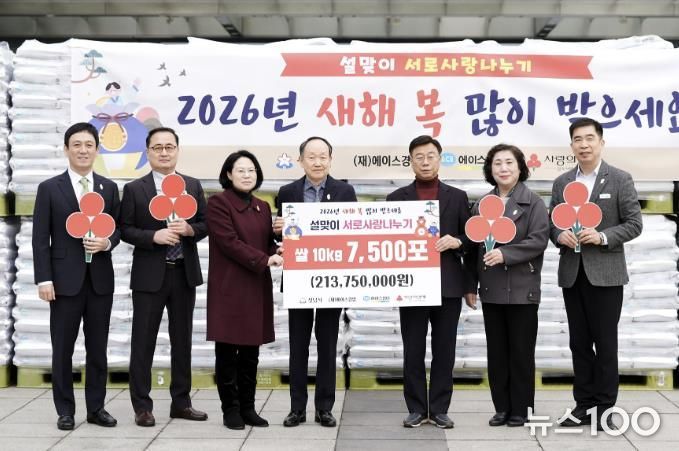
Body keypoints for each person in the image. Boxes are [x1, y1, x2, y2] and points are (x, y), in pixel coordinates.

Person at [550, 118, 642, 430]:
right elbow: (552, 224)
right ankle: (583, 406)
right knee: (578, 343)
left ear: (601, 142)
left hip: (606, 275)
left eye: (590, 138)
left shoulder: (619, 179)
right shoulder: (562, 182)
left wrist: (602, 236)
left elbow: (634, 223)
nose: (584, 145)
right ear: (571, 145)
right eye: (578, 139)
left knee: (605, 343)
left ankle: (604, 409)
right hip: (572, 274)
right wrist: (559, 235)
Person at [32, 122, 120, 430]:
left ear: (97, 149)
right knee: (63, 349)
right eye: (77, 145)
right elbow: (40, 238)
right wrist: (44, 279)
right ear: (67, 149)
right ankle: (65, 410)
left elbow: (118, 228)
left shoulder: (108, 188)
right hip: (63, 282)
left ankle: (96, 408)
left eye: (89, 145)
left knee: (97, 349)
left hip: (100, 282)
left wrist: (107, 243)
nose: (83, 150)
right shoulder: (49, 188)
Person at [120, 127, 208, 427]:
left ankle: (181, 403)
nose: (164, 152)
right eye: (158, 147)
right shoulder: (135, 189)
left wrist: (190, 230)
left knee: (182, 341)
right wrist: (153, 236)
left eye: (169, 147)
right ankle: (142, 407)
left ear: (177, 151)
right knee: (143, 341)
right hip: (149, 276)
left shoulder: (192, 185)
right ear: (148, 152)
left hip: (184, 273)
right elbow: (124, 229)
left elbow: (205, 223)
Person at [386, 135, 473, 429]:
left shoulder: (457, 197)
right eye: (419, 157)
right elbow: (386, 242)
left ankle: (439, 409)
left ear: (440, 158)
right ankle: (415, 408)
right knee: (412, 349)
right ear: (411, 161)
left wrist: (457, 241)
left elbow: (471, 239)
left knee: (444, 350)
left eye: (430, 156)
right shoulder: (396, 198)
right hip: (411, 285)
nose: (425, 162)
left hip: (448, 285)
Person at [273, 136, 357, 428]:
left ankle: (324, 408)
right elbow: (280, 237)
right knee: (298, 345)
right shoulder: (287, 192)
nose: (317, 162)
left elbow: (354, 231)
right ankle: (296, 408)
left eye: (323, 156)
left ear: (330, 160)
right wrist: (277, 230)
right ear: (301, 160)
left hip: (332, 280)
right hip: (299, 280)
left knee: (327, 344)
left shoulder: (345, 191)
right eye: (311, 156)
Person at [465, 144, 549, 427]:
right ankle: (501, 407)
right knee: (497, 353)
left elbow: (538, 240)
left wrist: (506, 254)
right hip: (492, 290)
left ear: (520, 167)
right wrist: (471, 284)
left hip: (523, 289)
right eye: (497, 163)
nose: (503, 168)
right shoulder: (481, 205)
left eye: (509, 162)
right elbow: (473, 248)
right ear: (490, 169)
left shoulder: (533, 203)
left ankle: (521, 409)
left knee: (521, 352)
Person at [206, 150, 283, 430]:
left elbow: (266, 243)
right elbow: (228, 242)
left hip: (255, 285)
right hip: (229, 286)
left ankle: (248, 407)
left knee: (251, 352)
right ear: (229, 174)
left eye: (251, 170)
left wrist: (278, 248)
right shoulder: (218, 203)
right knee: (227, 351)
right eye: (240, 170)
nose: (247, 175)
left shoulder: (262, 206)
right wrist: (265, 259)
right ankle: (231, 409)